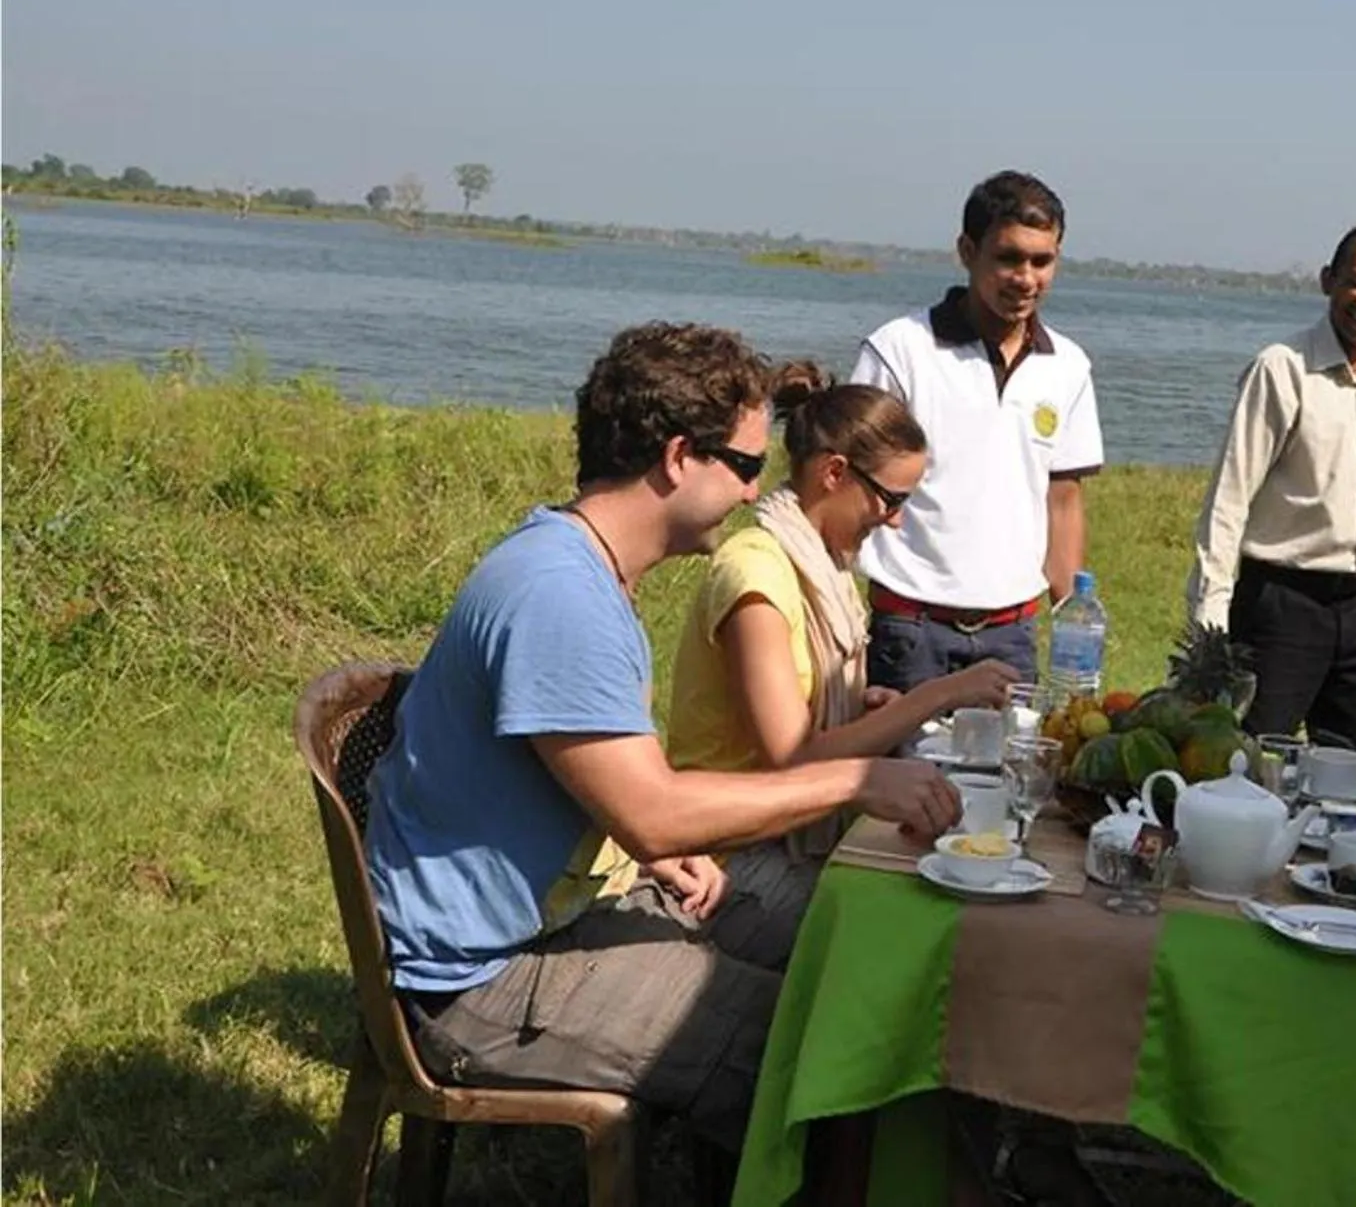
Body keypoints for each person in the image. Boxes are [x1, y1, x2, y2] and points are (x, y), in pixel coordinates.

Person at [363, 323, 962, 1158]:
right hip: (481, 984)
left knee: (835, 974)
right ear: (680, 456)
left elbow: (605, 790)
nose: (756, 495)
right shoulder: (560, 596)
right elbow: (653, 810)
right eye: (746, 467)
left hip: (547, 927)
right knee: (828, 1056)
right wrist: (853, 781)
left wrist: (643, 838)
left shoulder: (579, 569)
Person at [665, 364, 1016, 964]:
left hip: (786, 835)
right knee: (911, 931)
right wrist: (933, 697)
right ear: (834, 473)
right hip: (734, 855)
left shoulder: (824, 568)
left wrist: (861, 707)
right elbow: (793, 757)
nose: (897, 519)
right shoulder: (758, 576)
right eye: (892, 499)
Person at [1186, 219, 1356, 790]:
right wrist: (1210, 628)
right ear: (1328, 282)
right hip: (1279, 607)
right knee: (1240, 776)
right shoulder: (1282, 369)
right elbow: (1228, 502)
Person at [851, 171, 1104, 687]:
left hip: (1014, 634)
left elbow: (1063, 501)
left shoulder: (1069, 366)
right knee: (902, 770)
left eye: (1042, 261)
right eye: (1008, 257)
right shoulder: (899, 350)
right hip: (910, 627)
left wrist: (1070, 625)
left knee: (1012, 770)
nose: (1025, 278)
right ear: (968, 251)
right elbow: (847, 490)